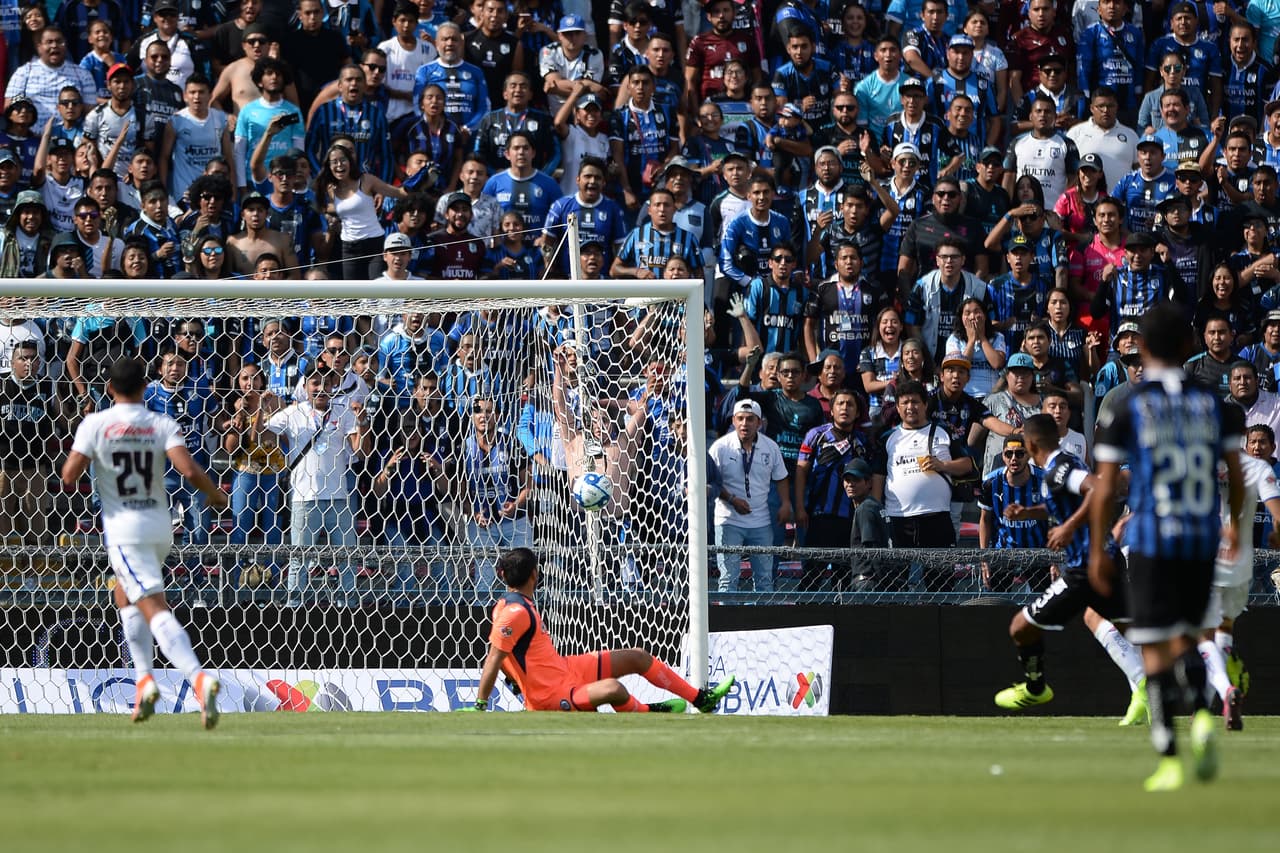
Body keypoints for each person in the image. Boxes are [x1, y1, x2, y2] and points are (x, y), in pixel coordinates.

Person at [1091, 302, 1245, 791]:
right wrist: (1235, 527)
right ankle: (1201, 714)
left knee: (1156, 649)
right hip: (1203, 539)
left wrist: (1098, 546)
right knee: (1194, 634)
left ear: (1141, 349)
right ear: (1188, 347)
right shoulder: (1215, 403)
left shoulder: (1128, 406)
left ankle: (1171, 757)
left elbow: (1107, 485)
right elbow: (1237, 474)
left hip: (1153, 538)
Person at [60, 356, 228, 729]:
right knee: (125, 594)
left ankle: (199, 677)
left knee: (153, 607)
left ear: (109, 388)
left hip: (125, 529)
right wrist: (215, 495)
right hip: (159, 525)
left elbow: (69, 475)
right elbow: (188, 469)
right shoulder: (160, 423)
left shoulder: (97, 424)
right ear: (144, 388)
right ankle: (145, 681)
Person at [993, 413, 1147, 725]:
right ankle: (1155, 686)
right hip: (1105, 560)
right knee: (1130, 631)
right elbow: (1065, 504)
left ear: (1031, 443)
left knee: (1020, 628)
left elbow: (1097, 490)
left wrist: (1068, 528)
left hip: (1086, 565)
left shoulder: (1061, 467)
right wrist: (1030, 513)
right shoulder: (1056, 469)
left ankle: (1036, 689)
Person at [464, 547, 733, 713]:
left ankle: (700, 699)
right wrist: (483, 703)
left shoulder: (515, 605)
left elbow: (506, 660)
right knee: (613, 689)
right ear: (535, 574)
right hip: (550, 695)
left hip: (564, 669)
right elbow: (495, 658)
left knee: (637, 656)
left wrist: (516, 683)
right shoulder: (514, 613)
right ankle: (646, 712)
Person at [874, 379, 973, 590]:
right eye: (905, 402)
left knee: (941, 585)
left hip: (936, 518)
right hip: (898, 520)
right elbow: (878, 476)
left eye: (916, 402)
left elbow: (967, 465)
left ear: (925, 404)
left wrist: (942, 464)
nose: (911, 407)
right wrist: (876, 509)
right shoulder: (888, 438)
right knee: (893, 585)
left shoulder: (943, 432)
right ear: (898, 407)